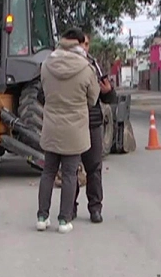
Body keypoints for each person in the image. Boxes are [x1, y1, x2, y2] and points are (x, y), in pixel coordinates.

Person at [37, 28, 100, 234]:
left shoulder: (46, 65)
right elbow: (93, 98)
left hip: (52, 127)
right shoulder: (86, 68)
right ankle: (64, 220)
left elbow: (43, 93)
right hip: (75, 130)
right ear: (80, 44)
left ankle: (42, 216)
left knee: (48, 172)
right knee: (70, 174)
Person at [74, 33, 117, 223]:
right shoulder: (61, 66)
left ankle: (95, 209)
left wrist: (109, 91)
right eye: (81, 43)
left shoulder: (94, 66)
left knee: (94, 168)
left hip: (93, 123)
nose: (84, 47)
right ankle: (69, 207)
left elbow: (107, 98)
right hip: (72, 124)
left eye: (87, 44)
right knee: (70, 169)